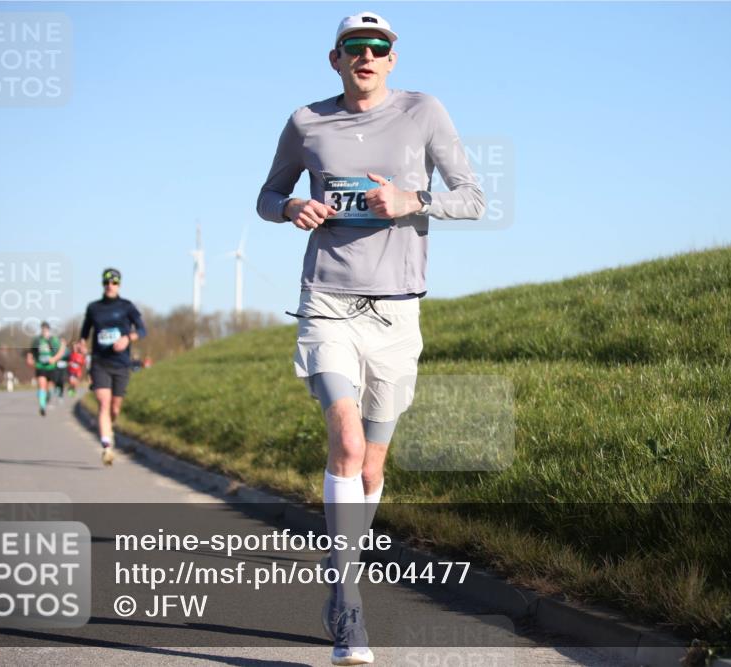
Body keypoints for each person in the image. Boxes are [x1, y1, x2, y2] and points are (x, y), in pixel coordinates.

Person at [257, 11, 484, 665]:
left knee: (375, 465)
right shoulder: (307, 121)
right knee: (347, 443)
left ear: (392, 58)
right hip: (327, 302)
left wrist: (412, 200)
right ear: (335, 59)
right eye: (354, 47)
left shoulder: (423, 112)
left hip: (397, 312)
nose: (366, 55)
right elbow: (267, 195)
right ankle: (347, 597)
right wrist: (292, 207)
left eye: (378, 47)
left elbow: (472, 196)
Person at [78, 268, 147, 465]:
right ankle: (106, 447)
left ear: (119, 284)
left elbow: (142, 329)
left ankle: (110, 428)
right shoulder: (93, 308)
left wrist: (128, 338)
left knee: (115, 408)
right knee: (103, 403)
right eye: (107, 282)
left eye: (114, 282)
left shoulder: (127, 307)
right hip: (100, 362)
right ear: (103, 284)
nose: (110, 285)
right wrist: (82, 344)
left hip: (121, 364)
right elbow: (84, 333)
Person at [26, 321, 65, 416]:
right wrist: (30, 359)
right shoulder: (37, 340)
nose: (44, 331)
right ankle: (42, 406)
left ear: (48, 330)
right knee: (42, 385)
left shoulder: (53, 340)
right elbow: (31, 352)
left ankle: (48, 397)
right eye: (43, 329)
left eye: (46, 329)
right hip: (40, 366)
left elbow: (60, 351)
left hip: (51, 367)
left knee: (50, 386)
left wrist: (54, 358)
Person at [53, 337, 71, 402]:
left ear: (65, 343)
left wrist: (68, 363)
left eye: (63, 342)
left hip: (64, 367)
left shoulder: (67, 350)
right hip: (56, 366)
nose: (61, 343)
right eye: (60, 342)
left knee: (62, 380)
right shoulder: (56, 350)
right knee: (56, 379)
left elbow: (69, 359)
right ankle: (56, 388)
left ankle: (61, 395)